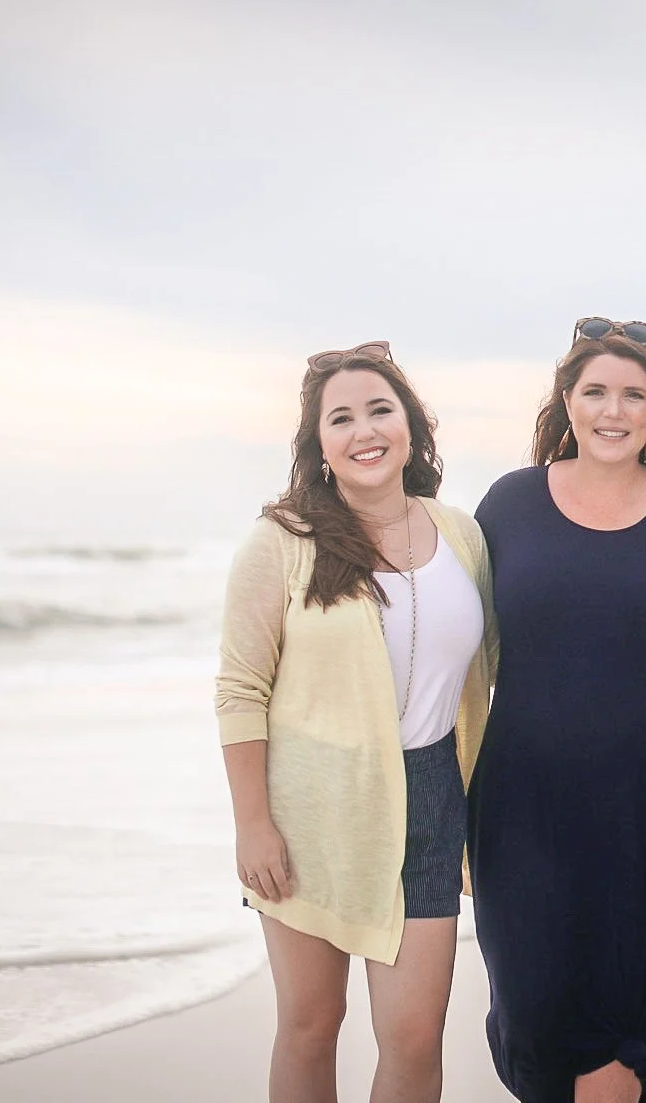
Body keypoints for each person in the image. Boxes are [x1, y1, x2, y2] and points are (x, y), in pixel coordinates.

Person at [214, 341, 498, 1103]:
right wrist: (253, 826)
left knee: (414, 1039)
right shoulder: (282, 541)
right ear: (320, 446)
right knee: (311, 1023)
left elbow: (494, 672)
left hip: (435, 800)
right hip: (312, 804)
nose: (364, 430)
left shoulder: (463, 536)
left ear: (410, 425)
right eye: (341, 418)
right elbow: (240, 689)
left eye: (380, 409)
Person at [468, 318, 646, 1103]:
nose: (612, 410)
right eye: (596, 392)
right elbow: (446, 629)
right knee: (541, 1030)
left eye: (633, 394)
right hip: (526, 818)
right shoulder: (509, 506)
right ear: (567, 402)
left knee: (632, 1053)